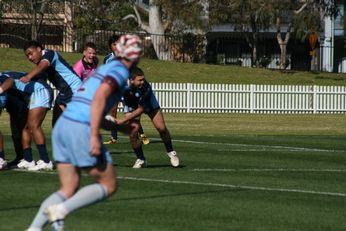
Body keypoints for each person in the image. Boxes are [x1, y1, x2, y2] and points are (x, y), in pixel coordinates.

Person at [25, 34, 143, 231]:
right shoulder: (119, 71)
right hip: (80, 128)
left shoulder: (103, 70)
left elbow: (89, 105)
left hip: (63, 127)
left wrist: (120, 127)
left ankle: (34, 228)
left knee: (68, 188)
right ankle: (60, 210)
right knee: (109, 184)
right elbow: (97, 101)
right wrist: (92, 137)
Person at [116, 67, 179, 168]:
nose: (142, 82)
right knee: (133, 134)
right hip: (132, 104)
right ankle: (141, 159)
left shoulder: (146, 88)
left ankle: (171, 152)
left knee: (161, 128)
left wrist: (122, 120)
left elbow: (140, 109)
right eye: (139, 80)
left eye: (143, 79)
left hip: (149, 104)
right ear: (131, 80)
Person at [21, 40, 82, 127]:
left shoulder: (49, 54)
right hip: (64, 92)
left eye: (31, 53)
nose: (30, 58)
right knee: (58, 123)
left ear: (39, 49)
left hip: (73, 88)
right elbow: (42, 79)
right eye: (27, 56)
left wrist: (28, 77)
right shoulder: (40, 65)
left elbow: (43, 64)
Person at [0, 71, 54, 171]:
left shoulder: (3, 76)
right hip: (33, 94)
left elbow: (10, 81)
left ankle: (46, 161)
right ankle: (28, 160)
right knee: (25, 128)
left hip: (41, 90)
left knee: (34, 126)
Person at [103, 34, 150, 145]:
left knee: (132, 112)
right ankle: (114, 138)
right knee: (112, 112)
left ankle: (142, 134)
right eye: (114, 44)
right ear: (110, 46)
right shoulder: (107, 59)